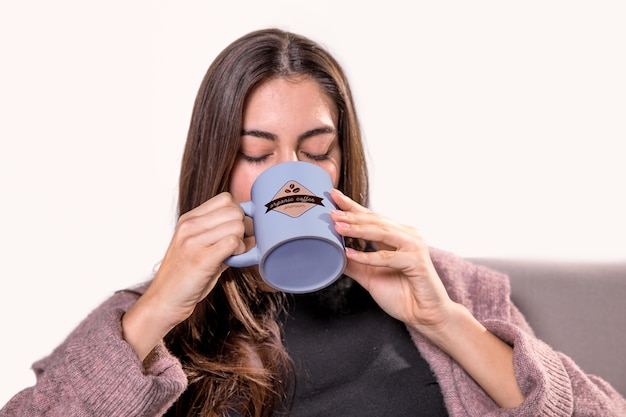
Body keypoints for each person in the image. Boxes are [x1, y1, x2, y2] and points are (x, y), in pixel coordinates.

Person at [2, 28, 624, 417]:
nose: (292, 175)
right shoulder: (147, 324)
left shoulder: (445, 289)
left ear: (343, 157)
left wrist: (446, 321)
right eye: (257, 153)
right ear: (217, 163)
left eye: (316, 149)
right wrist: (158, 307)